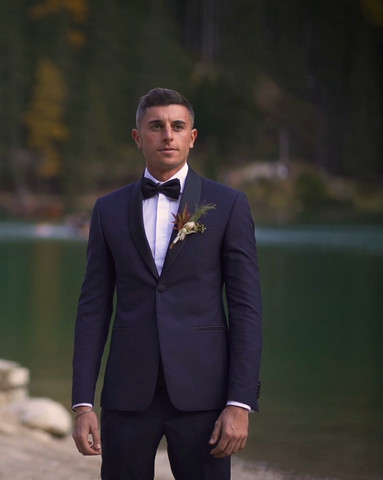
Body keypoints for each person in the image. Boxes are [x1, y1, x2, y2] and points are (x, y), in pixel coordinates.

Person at [70, 88, 262, 479]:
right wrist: (82, 403)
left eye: (177, 126)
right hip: (127, 396)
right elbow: (93, 309)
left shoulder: (229, 205)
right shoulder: (107, 210)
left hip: (204, 395)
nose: (167, 136)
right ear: (138, 137)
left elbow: (246, 309)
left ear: (192, 137)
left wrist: (239, 403)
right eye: (156, 126)